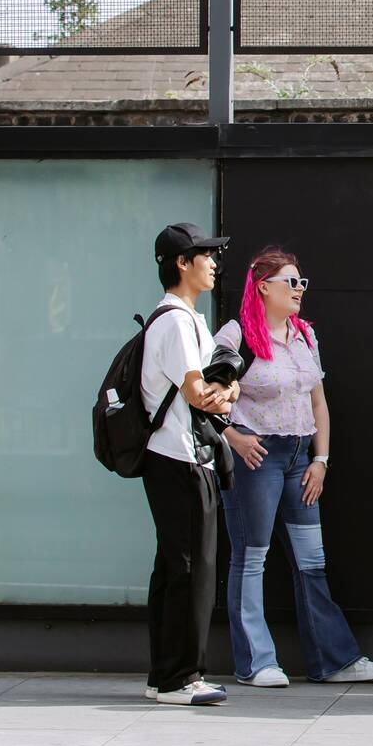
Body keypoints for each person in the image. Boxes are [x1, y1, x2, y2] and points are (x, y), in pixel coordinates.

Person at [213, 247, 373, 688]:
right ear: (263, 287)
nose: (299, 290)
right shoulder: (235, 337)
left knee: (312, 561)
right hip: (256, 458)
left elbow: (318, 402)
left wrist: (321, 460)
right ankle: (256, 663)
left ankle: (333, 660)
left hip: (299, 459)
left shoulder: (305, 336)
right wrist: (234, 437)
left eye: (301, 283)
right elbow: (207, 400)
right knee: (251, 558)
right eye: (291, 282)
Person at [140, 222, 238, 707]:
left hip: (175, 456)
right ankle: (182, 678)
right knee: (191, 568)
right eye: (206, 254)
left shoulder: (182, 319)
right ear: (182, 263)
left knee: (174, 566)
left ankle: (165, 674)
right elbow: (198, 393)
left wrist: (226, 390)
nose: (214, 263)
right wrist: (229, 393)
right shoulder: (177, 321)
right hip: (180, 456)